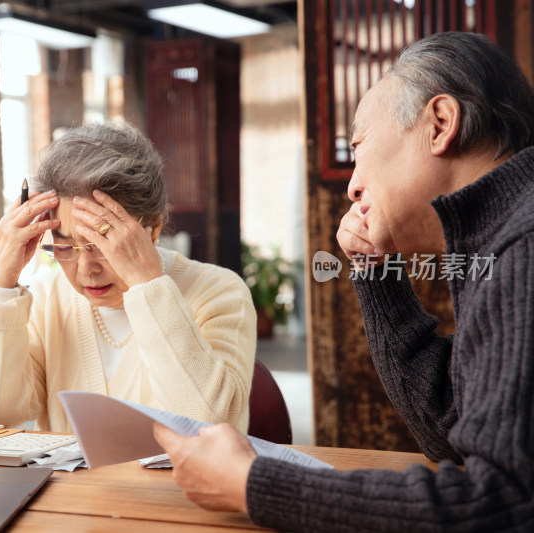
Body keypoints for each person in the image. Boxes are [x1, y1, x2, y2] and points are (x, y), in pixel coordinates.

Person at [154, 31, 534, 531]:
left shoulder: (520, 245)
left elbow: (499, 505)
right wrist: (375, 274)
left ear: (440, 124)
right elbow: (451, 431)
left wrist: (253, 485)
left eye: (359, 148)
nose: (353, 184)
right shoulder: (499, 237)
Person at [0, 121, 256, 433]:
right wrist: (2, 282)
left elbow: (209, 423)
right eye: (65, 245)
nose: (86, 270)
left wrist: (148, 283)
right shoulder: (46, 298)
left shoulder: (220, 292)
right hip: (69, 485)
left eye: (102, 243)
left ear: (152, 227)